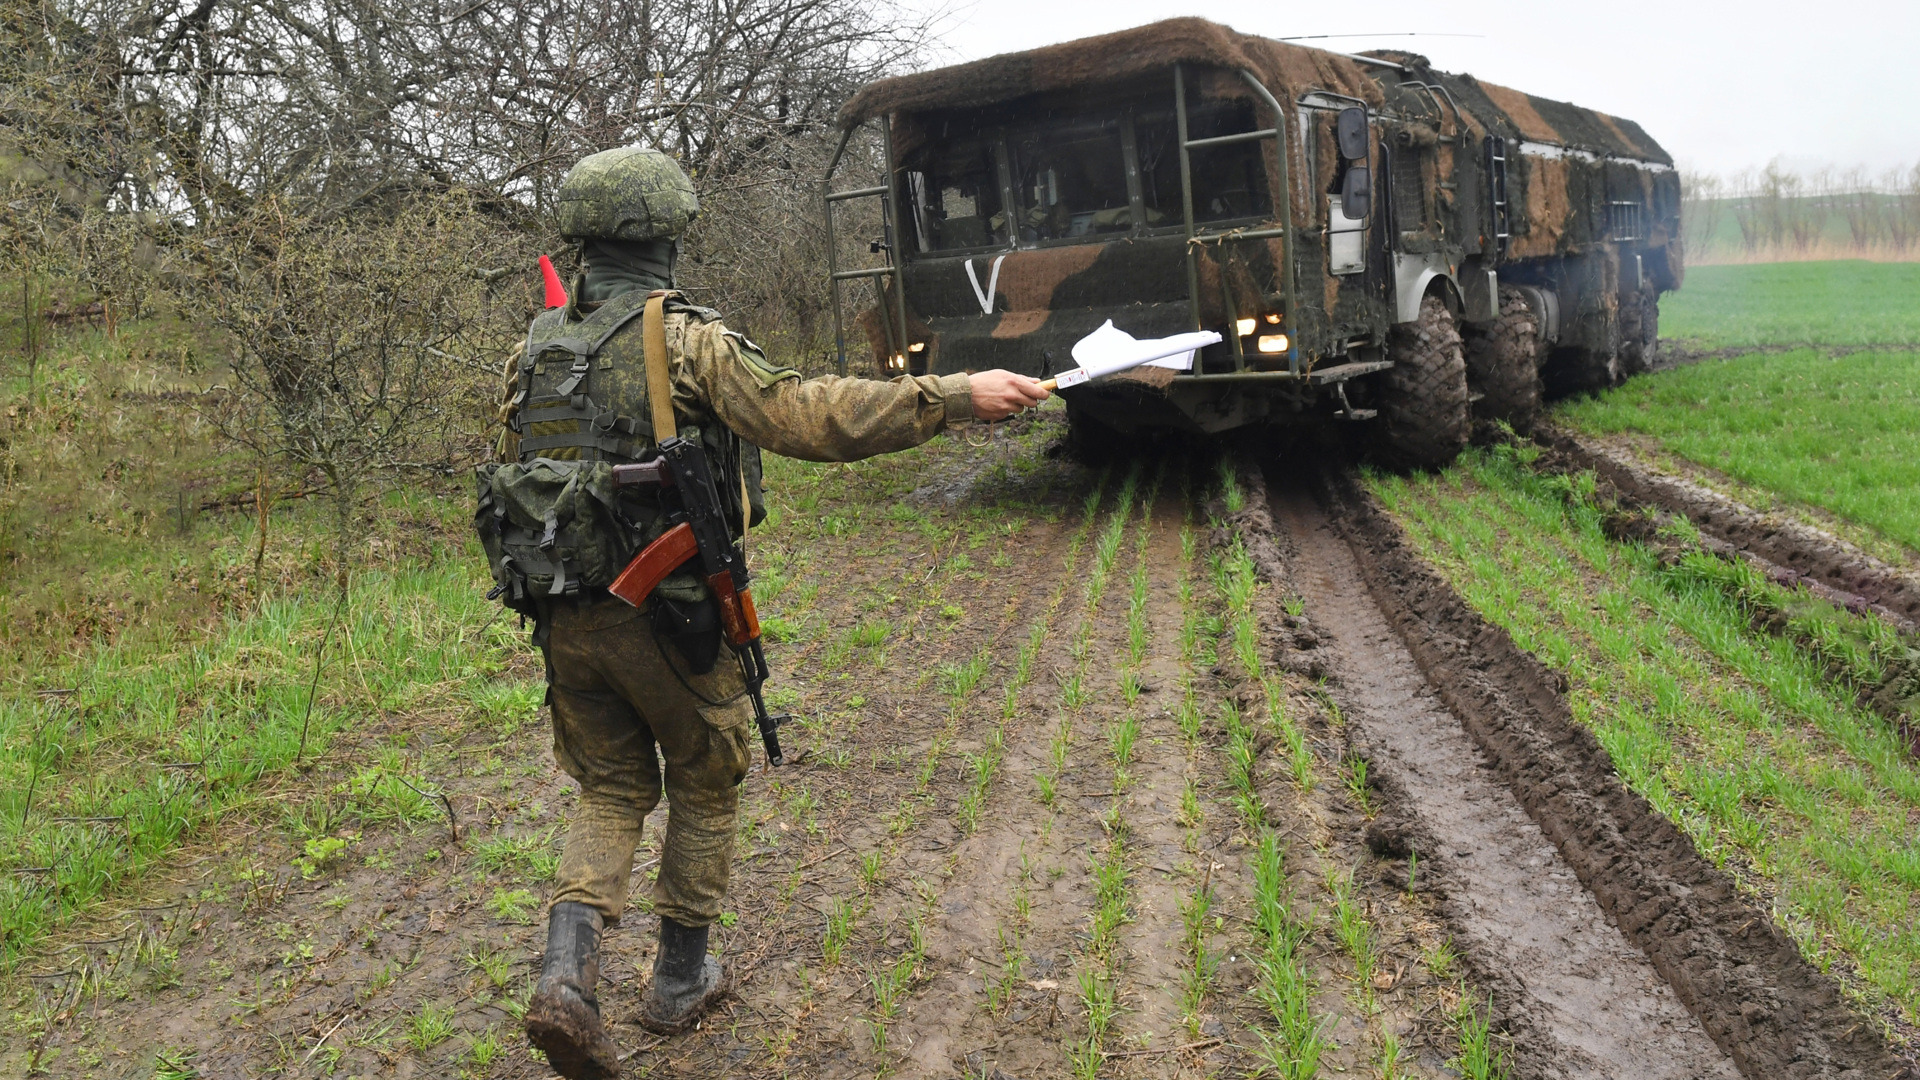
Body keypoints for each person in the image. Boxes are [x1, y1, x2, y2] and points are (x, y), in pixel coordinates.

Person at [477, 145, 1048, 1080]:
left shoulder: (533, 349)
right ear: (668, 235)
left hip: (559, 613)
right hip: (664, 608)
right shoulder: (686, 339)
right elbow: (807, 415)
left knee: (612, 788)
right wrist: (950, 396)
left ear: (581, 240)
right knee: (708, 770)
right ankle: (678, 983)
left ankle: (565, 979)